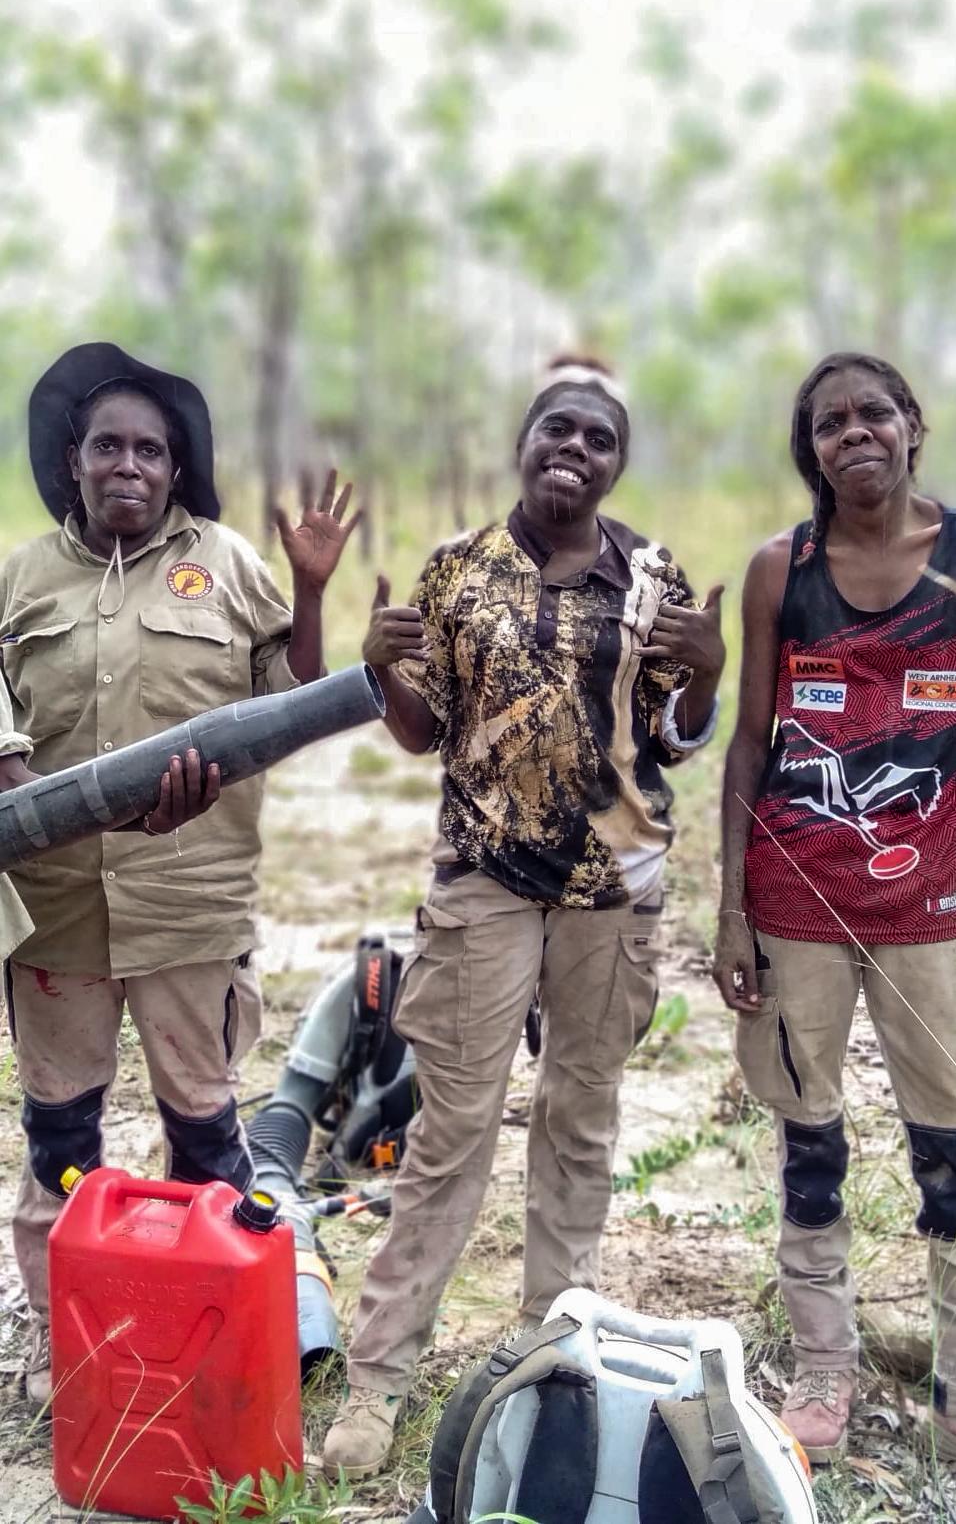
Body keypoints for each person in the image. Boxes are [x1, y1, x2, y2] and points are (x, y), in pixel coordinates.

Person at [323, 356, 725, 1479]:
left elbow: (675, 737)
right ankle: (377, 1379)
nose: (573, 449)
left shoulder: (652, 574)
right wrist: (377, 672)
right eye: (557, 428)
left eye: (597, 438)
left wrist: (705, 671)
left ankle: (552, 1363)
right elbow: (420, 732)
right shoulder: (458, 569)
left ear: (615, 461)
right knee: (449, 1133)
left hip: (615, 886)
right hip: (484, 884)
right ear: (522, 439)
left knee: (579, 1120)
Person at [1, 342, 358, 1406]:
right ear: (73, 461)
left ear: (174, 467)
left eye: (148, 450)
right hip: (54, 907)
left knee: (206, 1130)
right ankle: (70, 1353)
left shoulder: (233, 564)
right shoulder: (22, 575)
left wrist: (308, 584)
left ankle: (224, 1335)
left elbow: (290, 700)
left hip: (189, 906)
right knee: (59, 1138)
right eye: (106, 444)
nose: (127, 465)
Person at [714, 351, 956, 1464]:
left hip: (932, 910)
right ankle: (821, 1369)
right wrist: (727, 909)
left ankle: (950, 1379)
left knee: (945, 1151)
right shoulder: (782, 569)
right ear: (807, 449)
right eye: (826, 423)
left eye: (871, 414)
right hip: (793, 899)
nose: (851, 434)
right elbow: (749, 740)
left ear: (911, 425)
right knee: (807, 1142)